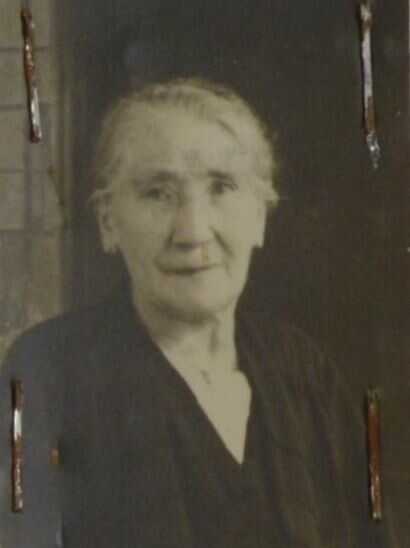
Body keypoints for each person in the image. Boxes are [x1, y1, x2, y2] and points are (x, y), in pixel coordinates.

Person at [0, 78, 389, 547]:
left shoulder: (307, 378)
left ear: (260, 216)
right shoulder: (47, 375)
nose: (192, 232)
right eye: (157, 194)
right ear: (108, 222)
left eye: (221, 187)